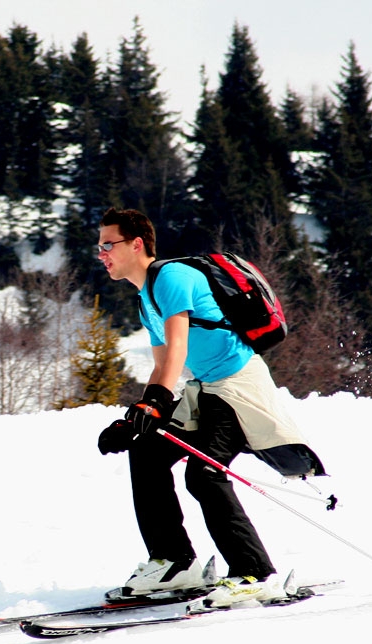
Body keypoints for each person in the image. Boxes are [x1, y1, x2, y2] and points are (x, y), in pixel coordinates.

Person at [95, 208, 324, 607]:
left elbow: (179, 345)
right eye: (99, 246)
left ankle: (255, 572)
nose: (101, 253)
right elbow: (162, 363)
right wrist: (138, 414)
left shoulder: (171, 277)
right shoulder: (144, 297)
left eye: (108, 244)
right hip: (206, 390)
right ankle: (174, 563)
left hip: (238, 386)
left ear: (137, 244)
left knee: (204, 474)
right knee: (146, 452)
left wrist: (156, 405)